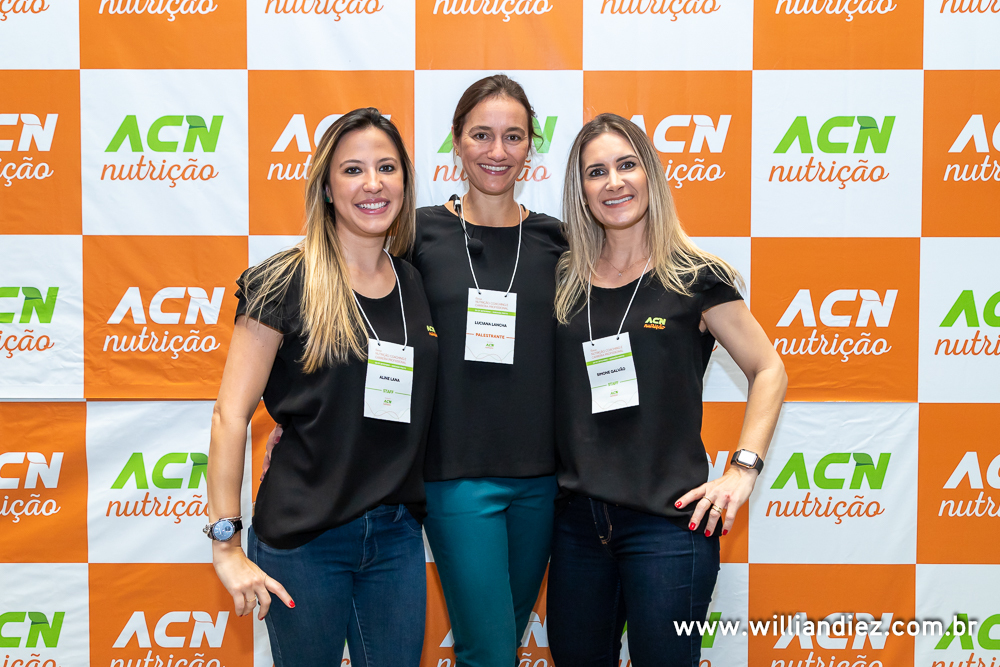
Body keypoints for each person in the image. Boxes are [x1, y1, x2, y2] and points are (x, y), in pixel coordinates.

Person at [546, 113, 787, 667]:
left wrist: (743, 469)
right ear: (581, 190)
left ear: (650, 175)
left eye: (627, 165)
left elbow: (769, 368)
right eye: (596, 172)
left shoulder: (695, 276)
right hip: (577, 524)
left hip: (668, 525)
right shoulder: (563, 277)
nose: (614, 182)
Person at [206, 108, 437, 667]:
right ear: (328, 188)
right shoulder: (283, 280)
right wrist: (226, 545)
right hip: (304, 540)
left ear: (405, 181)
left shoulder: (412, 280)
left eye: (386, 167)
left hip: (396, 536)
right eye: (353, 170)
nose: (373, 183)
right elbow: (229, 415)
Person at [410, 74, 565, 667]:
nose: (497, 151)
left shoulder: (559, 241)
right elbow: (362, 320)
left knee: (503, 641)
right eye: (481, 135)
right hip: (456, 474)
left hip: (543, 478)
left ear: (531, 146)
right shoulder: (416, 233)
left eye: (513, 136)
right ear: (456, 140)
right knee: (490, 652)